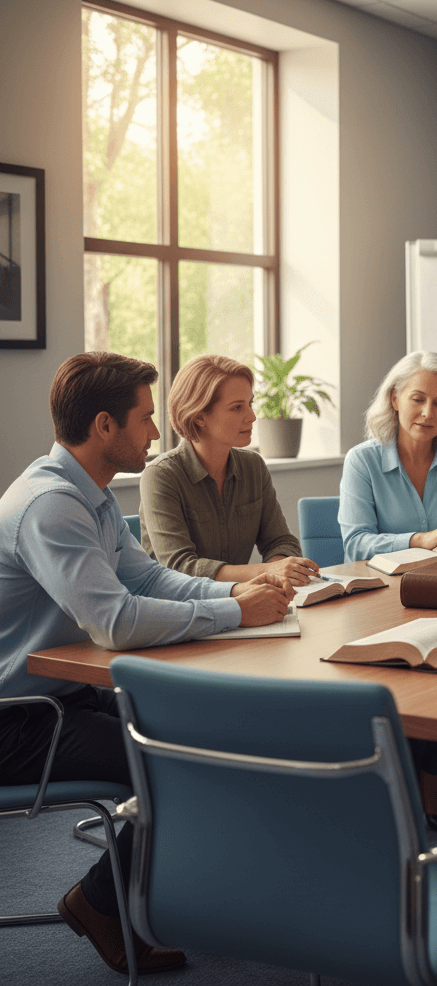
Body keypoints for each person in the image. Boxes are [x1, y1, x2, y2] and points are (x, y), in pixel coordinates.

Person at [0, 352, 294, 977]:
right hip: (17, 719)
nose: (157, 433)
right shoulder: (50, 506)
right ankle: (99, 902)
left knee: (212, 733)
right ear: (104, 426)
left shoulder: (95, 498)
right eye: (145, 419)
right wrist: (238, 614)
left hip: (61, 696)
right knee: (182, 762)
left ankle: (158, 892)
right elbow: (116, 622)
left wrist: (239, 596)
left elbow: (153, 579)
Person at [338, 351, 437, 832]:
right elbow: (355, 540)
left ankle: (428, 774)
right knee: (405, 680)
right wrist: (420, 540)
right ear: (394, 398)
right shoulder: (363, 460)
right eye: (418, 399)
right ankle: (406, 781)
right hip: (384, 602)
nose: (429, 413)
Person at [139, 354, 318, 586]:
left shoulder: (253, 466)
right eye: (236, 408)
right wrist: (268, 571)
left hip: (239, 603)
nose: (252, 416)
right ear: (199, 416)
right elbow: (180, 567)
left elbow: (281, 541)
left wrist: (280, 570)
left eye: (250, 403)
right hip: (179, 611)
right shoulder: (161, 475)